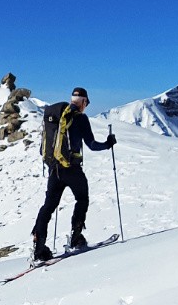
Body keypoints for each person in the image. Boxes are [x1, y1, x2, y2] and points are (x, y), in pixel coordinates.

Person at [31, 86, 115, 261]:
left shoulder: (55, 117)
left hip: (54, 169)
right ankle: (76, 237)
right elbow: (91, 144)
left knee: (48, 206)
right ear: (83, 101)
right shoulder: (80, 119)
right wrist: (108, 144)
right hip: (73, 169)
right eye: (87, 102)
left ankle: (39, 247)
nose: (86, 106)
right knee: (82, 198)